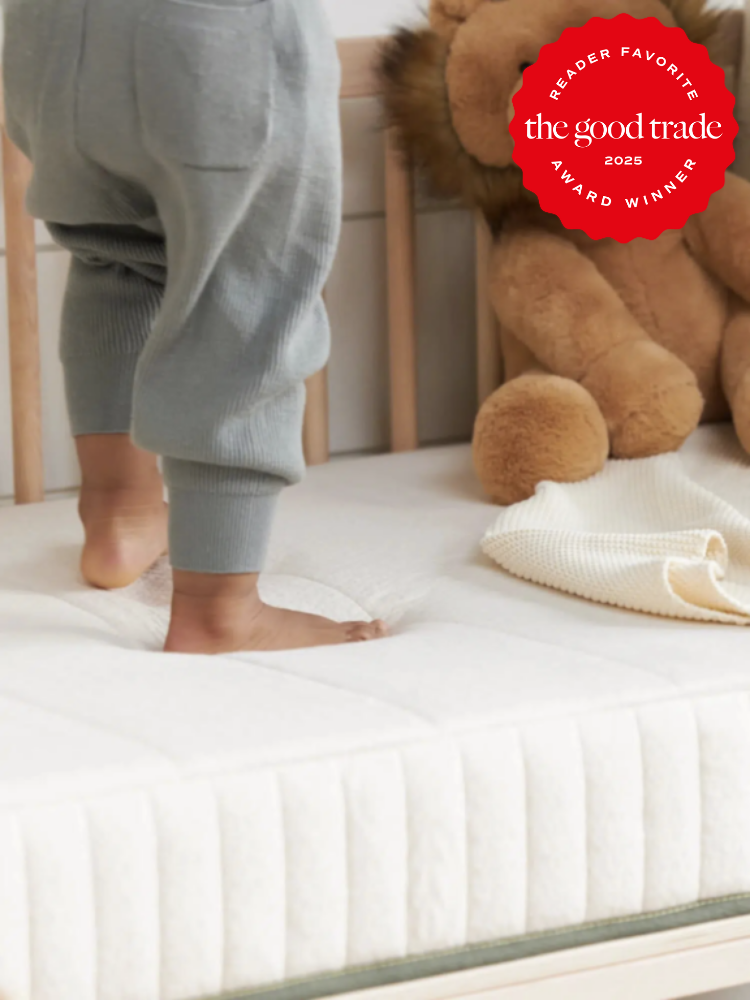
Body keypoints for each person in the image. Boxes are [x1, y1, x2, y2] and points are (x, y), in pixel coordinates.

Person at [3, 0, 387, 653]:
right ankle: (219, 609)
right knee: (250, 287)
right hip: (216, 31)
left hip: (52, 31)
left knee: (114, 253)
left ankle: (118, 511)